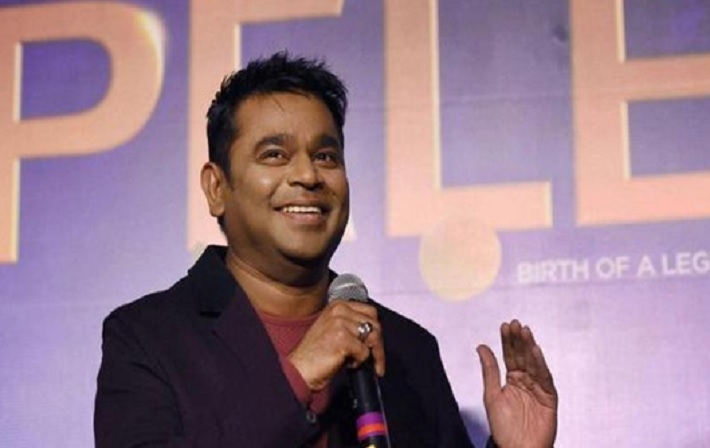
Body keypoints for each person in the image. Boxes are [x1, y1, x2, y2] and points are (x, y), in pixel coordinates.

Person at [94, 52, 558, 448]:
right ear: (217, 188)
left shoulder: (407, 349)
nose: (308, 176)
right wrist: (298, 377)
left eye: (326, 156)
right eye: (274, 155)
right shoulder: (148, 339)